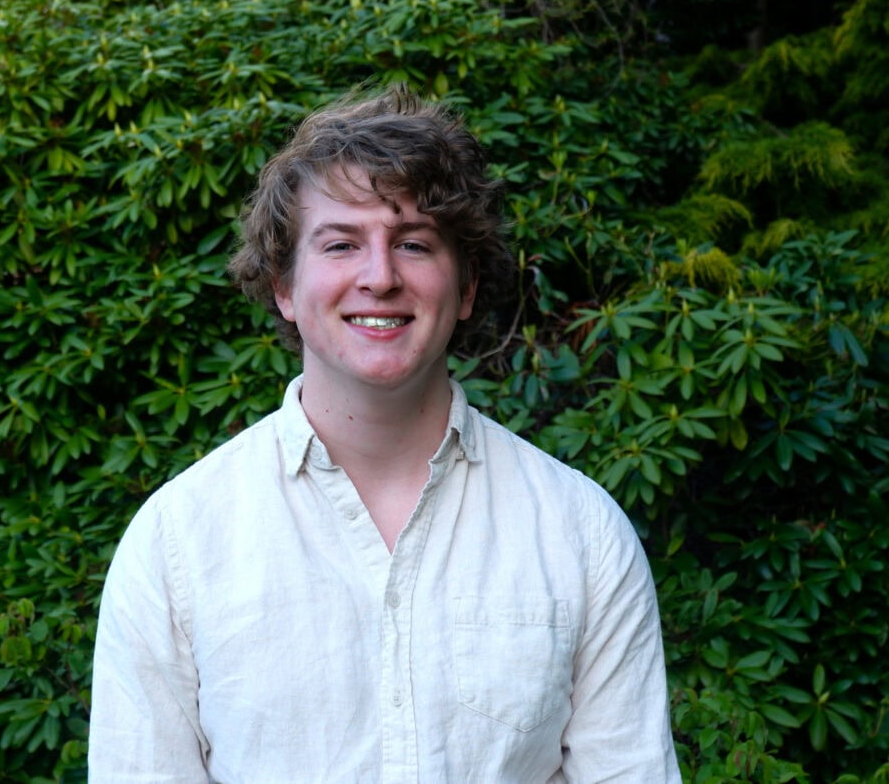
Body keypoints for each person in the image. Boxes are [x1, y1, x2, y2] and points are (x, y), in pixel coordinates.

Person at [89, 86, 680, 782]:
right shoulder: (177, 543)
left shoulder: (582, 534)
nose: (379, 277)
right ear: (284, 286)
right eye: (341, 244)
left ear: (465, 287)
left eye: (414, 244)